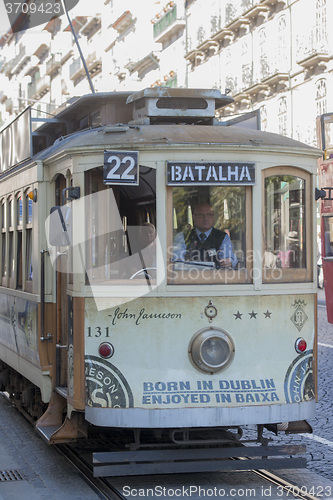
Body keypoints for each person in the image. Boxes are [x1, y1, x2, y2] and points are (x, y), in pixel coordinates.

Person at [173, 203, 238, 268]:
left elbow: (227, 259)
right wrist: (179, 262)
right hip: (189, 276)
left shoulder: (223, 237)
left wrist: (228, 262)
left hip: (216, 277)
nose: (205, 218)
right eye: (201, 215)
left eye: (209, 215)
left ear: (214, 217)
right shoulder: (183, 236)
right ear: (193, 217)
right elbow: (178, 261)